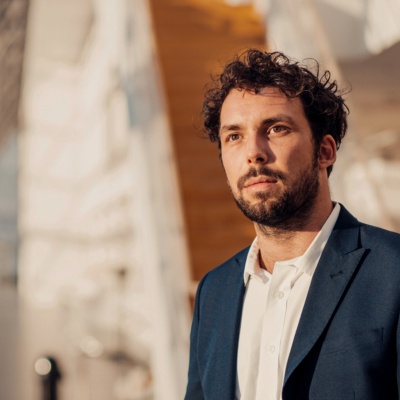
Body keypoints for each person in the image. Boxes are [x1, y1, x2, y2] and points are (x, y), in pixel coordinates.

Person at [184, 49, 400, 400]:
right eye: (234, 136)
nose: (253, 152)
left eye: (276, 128)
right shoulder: (214, 291)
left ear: (325, 152)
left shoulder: (392, 270)